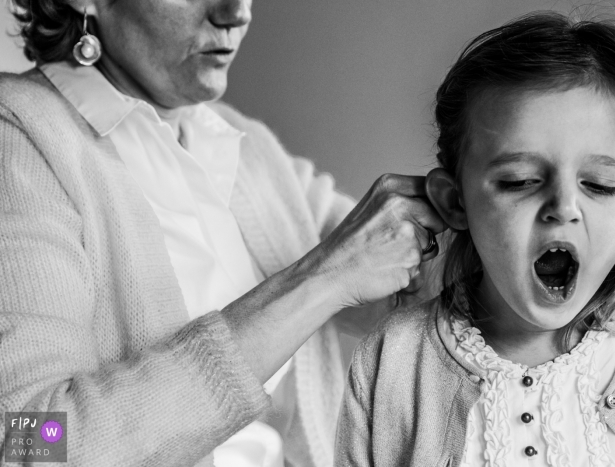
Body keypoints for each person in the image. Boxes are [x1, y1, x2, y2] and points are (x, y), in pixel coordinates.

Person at [0, 0, 445, 466]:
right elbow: (24, 445)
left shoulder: (240, 139)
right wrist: (321, 279)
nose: (236, 13)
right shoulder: (20, 139)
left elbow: (411, 284)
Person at [335, 11, 615, 467]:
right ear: (455, 203)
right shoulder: (392, 363)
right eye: (521, 181)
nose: (564, 207)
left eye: (601, 185)